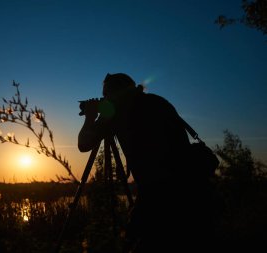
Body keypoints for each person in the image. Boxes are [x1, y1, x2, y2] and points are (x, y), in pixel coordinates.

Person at [78, 73, 218, 252]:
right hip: (196, 193)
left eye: (105, 95)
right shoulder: (158, 101)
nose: (104, 99)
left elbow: (84, 144)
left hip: (158, 202)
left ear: (112, 93)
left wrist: (90, 116)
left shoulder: (116, 109)